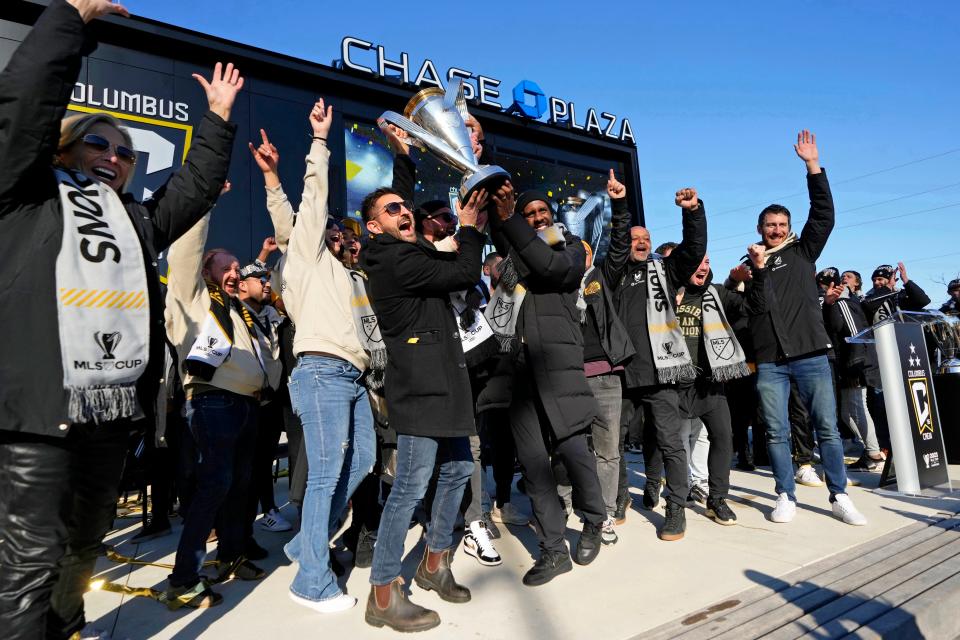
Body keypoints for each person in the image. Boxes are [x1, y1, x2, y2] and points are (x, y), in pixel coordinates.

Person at [0, 0, 241, 635]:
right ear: (65, 146)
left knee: (82, 548)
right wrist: (70, 18)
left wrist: (217, 119)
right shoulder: (24, 195)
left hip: (108, 415)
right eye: (98, 143)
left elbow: (191, 188)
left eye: (127, 152)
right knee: (26, 564)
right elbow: (23, 108)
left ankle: (67, 623)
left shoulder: (136, 221)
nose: (114, 156)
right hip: (37, 416)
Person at [253, 102, 378, 614]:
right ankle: (311, 580)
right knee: (326, 473)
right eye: (331, 229)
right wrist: (319, 142)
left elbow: (289, 218)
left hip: (352, 375)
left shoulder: (340, 272)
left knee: (364, 459)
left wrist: (270, 182)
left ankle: (307, 544)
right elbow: (309, 204)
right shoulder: (303, 255)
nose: (339, 236)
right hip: (321, 370)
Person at [361, 186, 486, 632]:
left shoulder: (407, 250)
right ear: (375, 227)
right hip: (419, 389)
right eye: (392, 210)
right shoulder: (392, 258)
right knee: (410, 487)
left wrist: (403, 157)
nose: (405, 213)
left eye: (406, 206)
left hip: (445, 382)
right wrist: (469, 228)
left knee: (455, 471)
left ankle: (433, 563)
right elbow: (467, 270)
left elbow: (410, 223)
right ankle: (382, 593)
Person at [478, 181, 608, 586]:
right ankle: (553, 551)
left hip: (558, 370)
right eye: (527, 214)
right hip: (517, 376)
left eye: (539, 213)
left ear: (551, 216)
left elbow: (546, 267)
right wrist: (499, 213)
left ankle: (593, 520)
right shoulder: (516, 256)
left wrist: (510, 218)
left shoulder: (569, 251)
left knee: (575, 455)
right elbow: (505, 243)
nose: (535, 219)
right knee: (534, 468)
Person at [747, 130, 866, 526]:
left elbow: (824, 214)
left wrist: (813, 167)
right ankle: (785, 494)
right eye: (770, 225)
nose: (776, 230)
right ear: (760, 228)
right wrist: (757, 272)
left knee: (828, 430)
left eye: (781, 224)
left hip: (812, 355)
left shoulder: (804, 251)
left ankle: (840, 495)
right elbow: (756, 309)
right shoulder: (751, 266)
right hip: (770, 362)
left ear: (789, 227)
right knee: (777, 433)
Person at [605, 189, 707, 541]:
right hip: (619, 373)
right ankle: (619, 498)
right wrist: (620, 207)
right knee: (612, 442)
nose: (642, 243)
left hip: (660, 373)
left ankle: (675, 507)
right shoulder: (613, 274)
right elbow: (617, 243)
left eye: (646, 239)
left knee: (670, 442)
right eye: (635, 238)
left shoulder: (664, 270)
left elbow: (693, 250)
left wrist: (692, 212)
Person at [659, 249, 767, 525]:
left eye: (706, 261)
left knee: (723, 437)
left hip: (709, 384)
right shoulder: (664, 295)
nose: (703, 266)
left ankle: (716, 499)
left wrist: (759, 270)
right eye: (697, 260)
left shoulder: (718, 294)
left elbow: (756, 306)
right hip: (673, 383)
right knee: (673, 444)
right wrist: (670, 303)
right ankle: (675, 500)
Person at [579, 170, 636, 533]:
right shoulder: (551, 290)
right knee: (570, 450)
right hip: (566, 379)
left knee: (608, 449)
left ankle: (605, 512)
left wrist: (619, 204)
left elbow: (618, 248)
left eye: (583, 250)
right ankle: (574, 502)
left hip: (603, 377)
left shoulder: (600, 278)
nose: (577, 256)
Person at [863, 262, 930, 325]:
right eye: (874, 280)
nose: (876, 282)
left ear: (891, 279)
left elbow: (923, 301)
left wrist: (905, 280)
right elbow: (868, 306)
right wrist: (888, 286)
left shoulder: (901, 294)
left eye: (880, 279)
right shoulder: (869, 298)